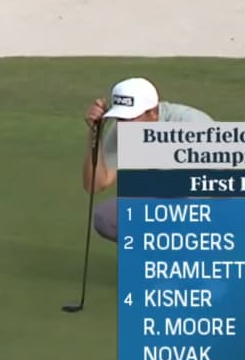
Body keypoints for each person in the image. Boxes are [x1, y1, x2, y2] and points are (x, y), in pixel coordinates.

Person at [82, 76, 213, 241]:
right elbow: (95, 184)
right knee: (107, 218)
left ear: (153, 112)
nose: (123, 126)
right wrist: (94, 134)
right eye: (120, 119)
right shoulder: (122, 130)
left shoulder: (191, 125)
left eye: (131, 118)